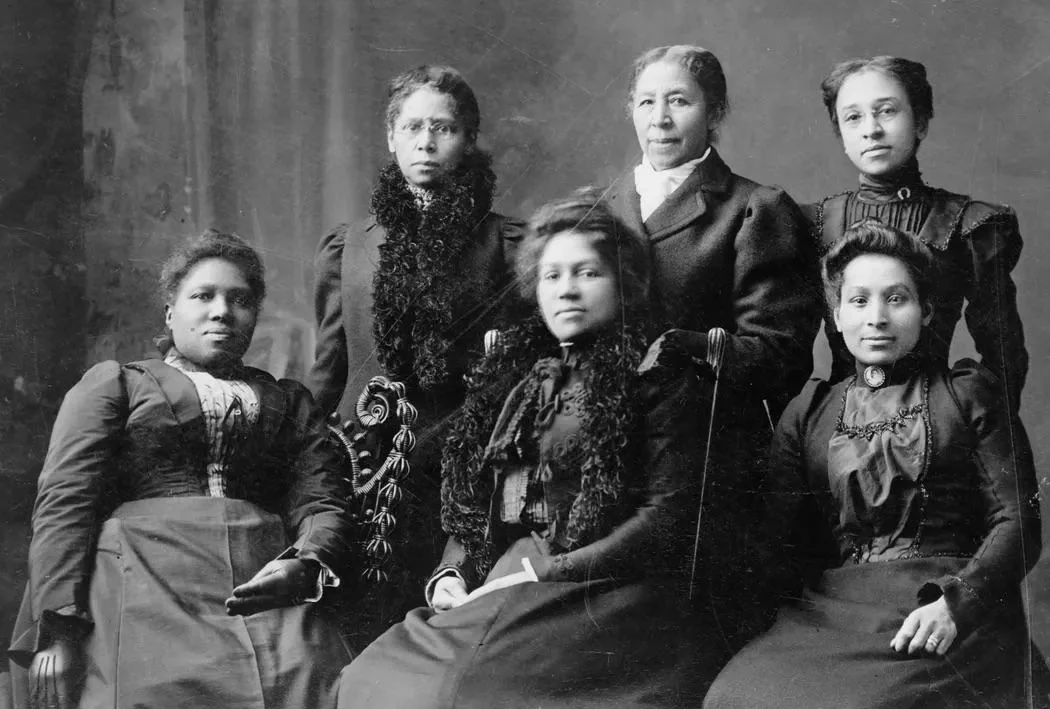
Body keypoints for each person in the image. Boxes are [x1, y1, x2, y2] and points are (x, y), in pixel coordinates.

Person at [334, 191, 732, 708]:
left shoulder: (656, 374)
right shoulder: (517, 381)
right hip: (511, 577)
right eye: (552, 276)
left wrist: (551, 571)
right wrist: (451, 574)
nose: (567, 291)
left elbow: (666, 518)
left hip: (608, 589)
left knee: (468, 694)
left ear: (623, 282)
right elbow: (477, 507)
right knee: (374, 676)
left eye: (587, 273)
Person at [703, 219, 1048, 709]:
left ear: (926, 311)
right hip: (835, 613)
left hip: (942, 610)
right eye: (859, 300)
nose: (877, 317)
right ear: (837, 315)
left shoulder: (969, 394)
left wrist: (957, 605)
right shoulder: (812, 410)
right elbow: (778, 541)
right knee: (730, 696)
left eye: (897, 298)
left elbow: (1018, 521)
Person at [8, 231, 353, 709]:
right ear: (171, 313)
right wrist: (57, 628)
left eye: (241, 300)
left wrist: (306, 562)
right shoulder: (119, 384)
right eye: (203, 296)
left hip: (259, 584)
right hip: (141, 582)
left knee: (316, 684)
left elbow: (320, 500)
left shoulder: (290, 400)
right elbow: (66, 503)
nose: (222, 311)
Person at [607, 43, 822, 648]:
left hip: (705, 456)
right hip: (604, 446)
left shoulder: (754, 209)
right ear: (630, 111)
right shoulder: (597, 210)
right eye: (646, 102)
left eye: (679, 101)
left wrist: (687, 347)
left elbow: (780, 353)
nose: (660, 118)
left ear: (715, 111)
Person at [306, 66, 523, 629]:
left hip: (460, 467)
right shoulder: (349, 247)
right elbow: (328, 371)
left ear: (469, 140)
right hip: (363, 468)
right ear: (391, 138)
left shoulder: (506, 244)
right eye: (411, 127)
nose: (425, 142)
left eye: (444, 128)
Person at [804, 55, 1028, 410]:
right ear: (842, 134)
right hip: (838, 423)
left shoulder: (968, 224)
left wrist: (973, 425)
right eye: (853, 117)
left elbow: (1004, 353)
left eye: (887, 111)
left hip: (938, 424)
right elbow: (787, 353)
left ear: (920, 122)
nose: (871, 129)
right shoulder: (811, 224)